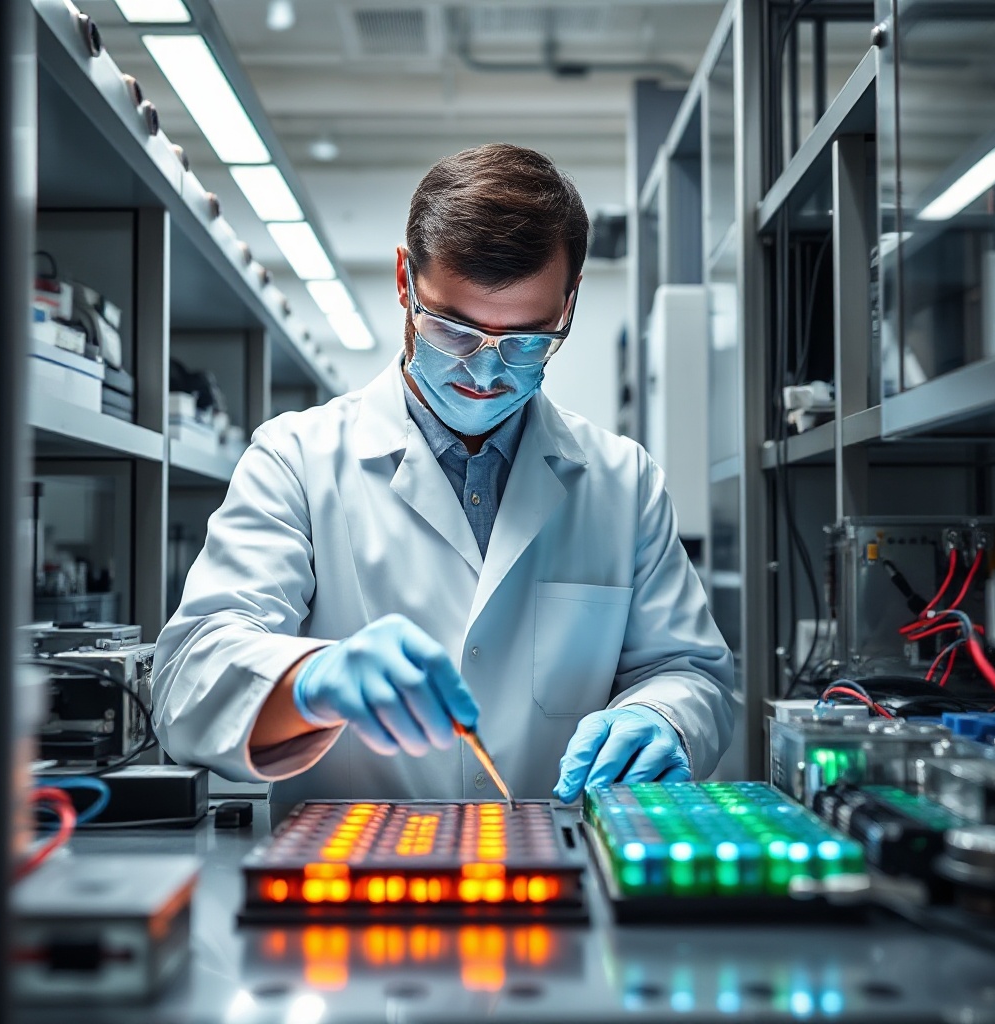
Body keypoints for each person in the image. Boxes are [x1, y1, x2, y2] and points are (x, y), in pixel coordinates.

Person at [151, 143, 734, 809]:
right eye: (454, 333)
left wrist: (662, 717)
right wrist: (313, 678)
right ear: (405, 281)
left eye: (525, 343)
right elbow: (186, 679)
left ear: (567, 306)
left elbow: (689, 673)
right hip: (353, 883)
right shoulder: (296, 459)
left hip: (556, 877)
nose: (486, 375)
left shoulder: (623, 483)